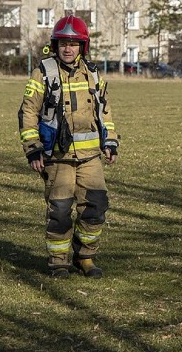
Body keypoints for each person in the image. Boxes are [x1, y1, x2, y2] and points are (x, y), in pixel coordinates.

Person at [18, 16, 119, 279]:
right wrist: (33, 148)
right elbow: (28, 111)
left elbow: (104, 111)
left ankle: (85, 257)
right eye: (63, 43)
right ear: (55, 45)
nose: (68, 48)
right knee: (60, 211)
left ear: (82, 47)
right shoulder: (43, 73)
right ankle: (58, 262)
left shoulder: (93, 73)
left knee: (95, 207)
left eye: (74, 43)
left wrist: (110, 141)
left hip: (90, 158)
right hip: (57, 157)